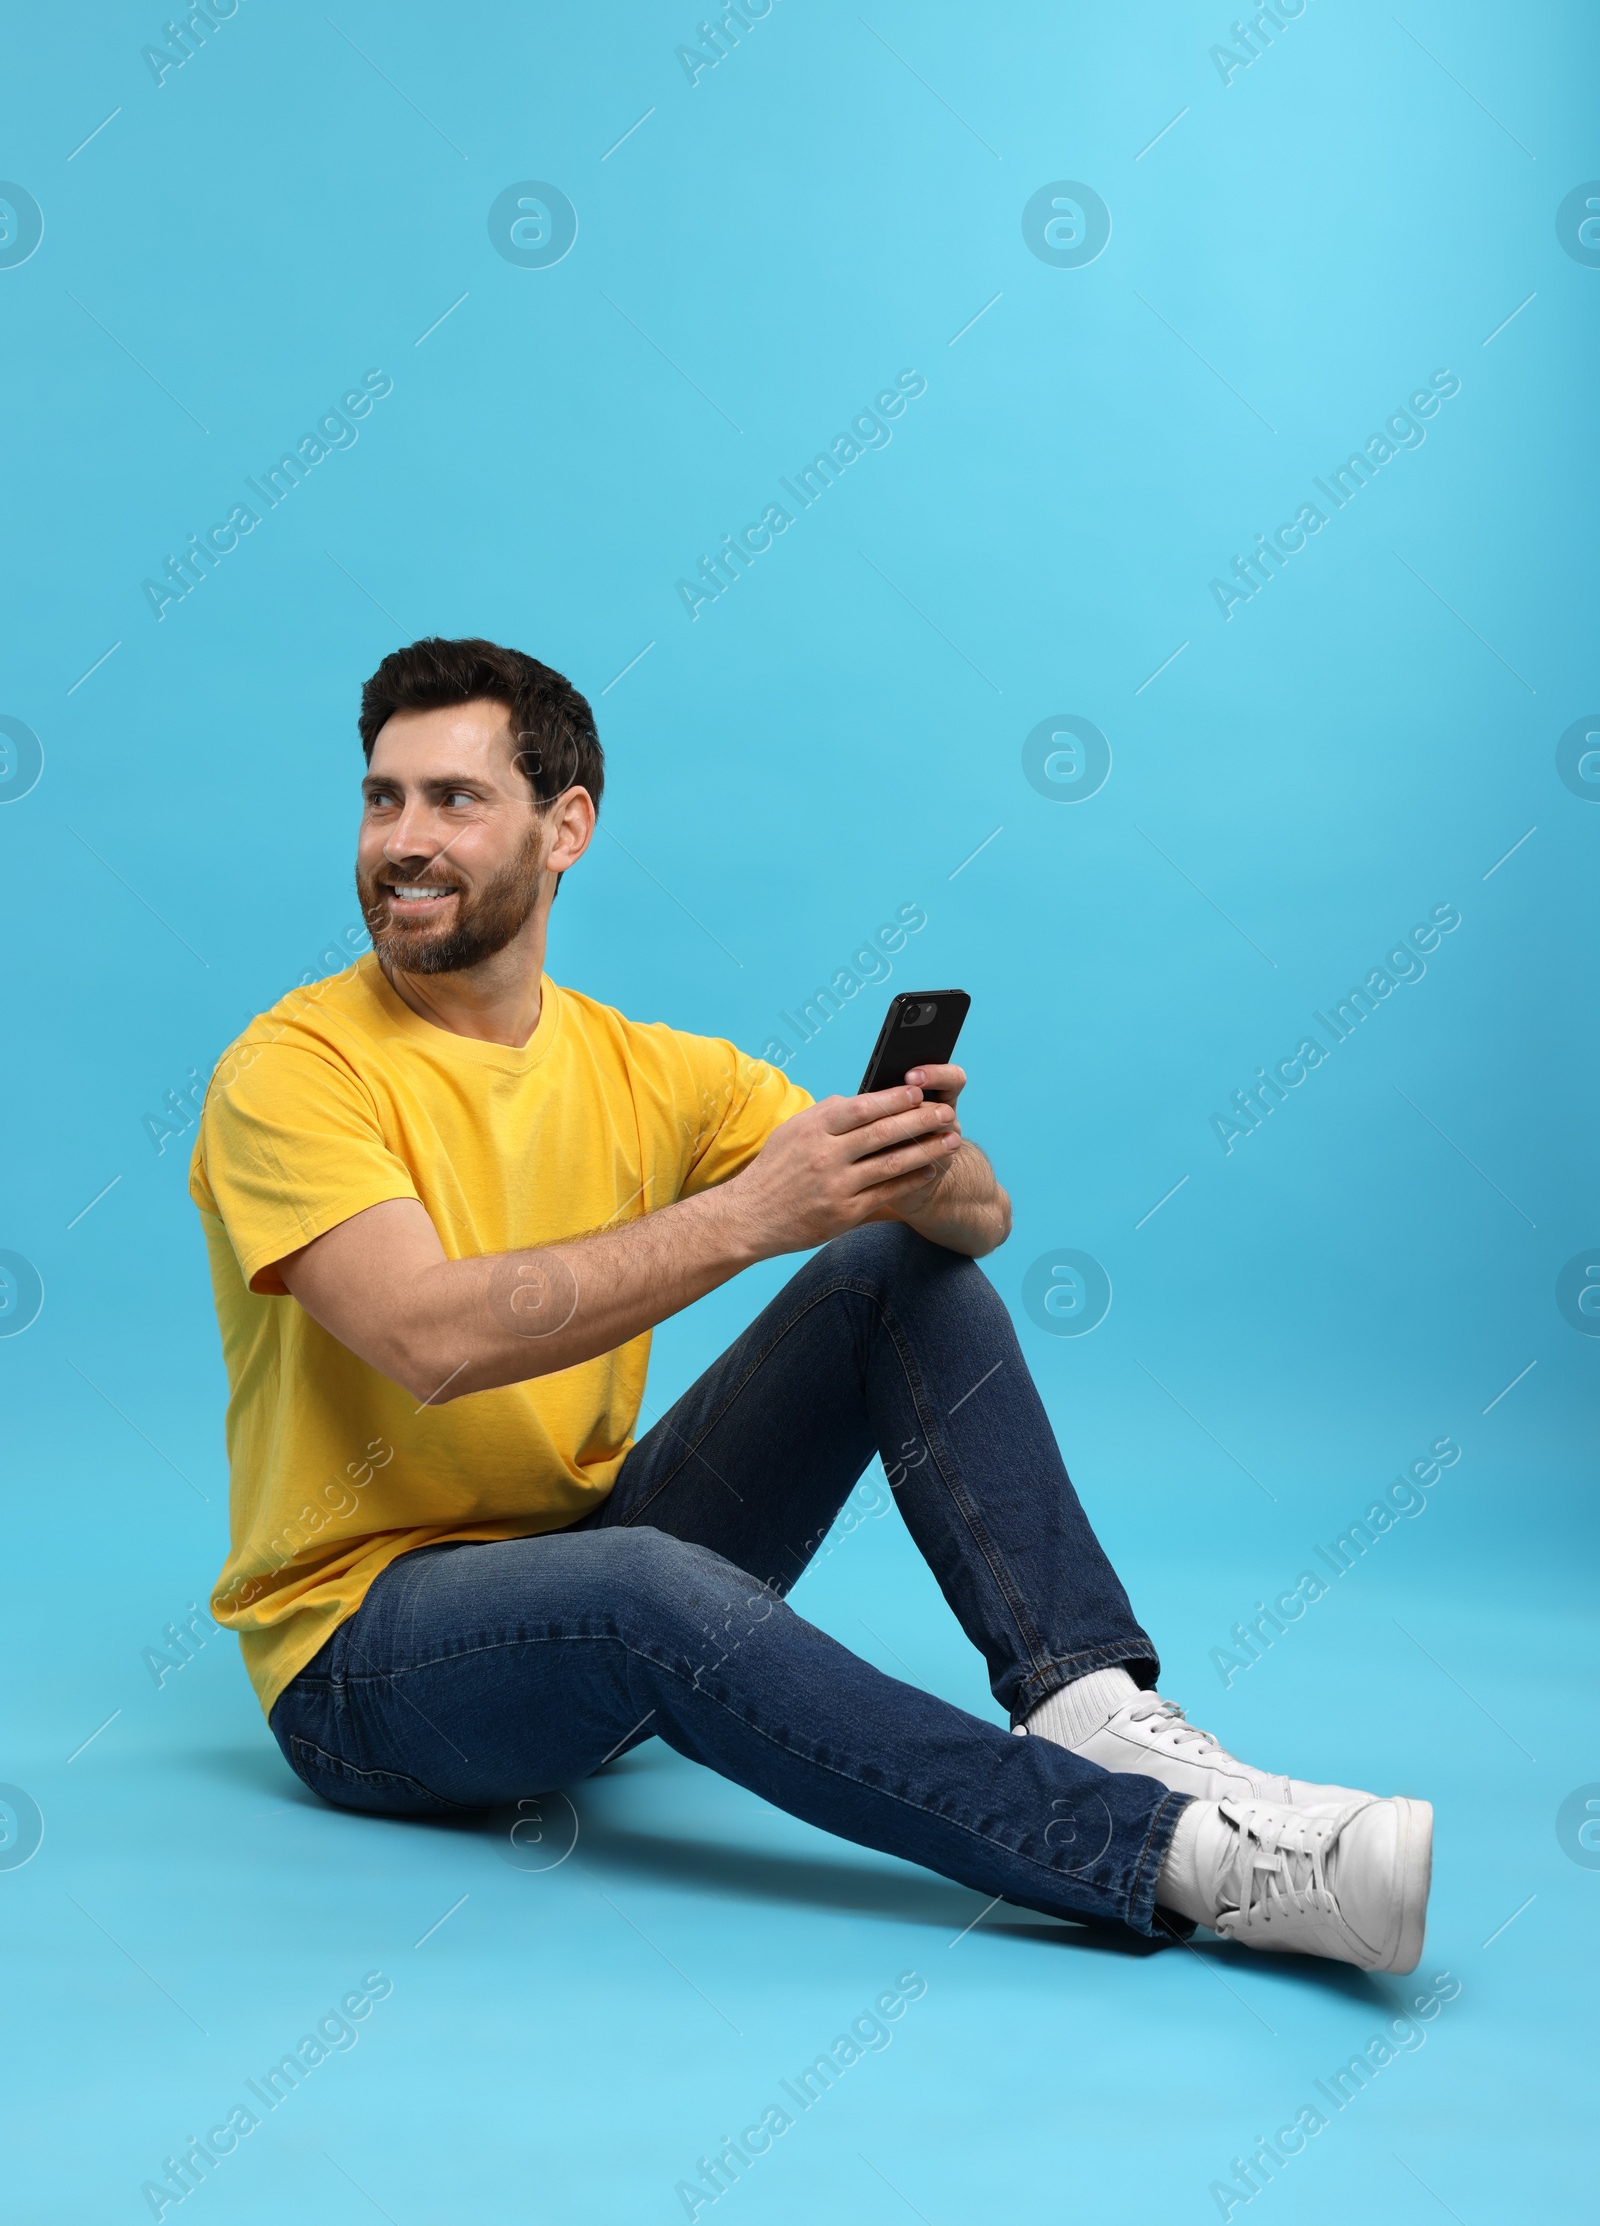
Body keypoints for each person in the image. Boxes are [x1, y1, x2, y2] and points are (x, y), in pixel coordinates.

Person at [191, 637, 1432, 1972]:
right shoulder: (293, 1070)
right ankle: (1173, 1854)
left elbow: (978, 1226)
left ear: (567, 830)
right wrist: (745, 1217)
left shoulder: (648, 1068)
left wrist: (915, 1159)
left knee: (887, 1273)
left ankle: (1091, 1704)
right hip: (366, 1665)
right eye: (384, 798)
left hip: (585, 1577)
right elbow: (422, 1338)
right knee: (640, 1586)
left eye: (454, 799)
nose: (404, 840)